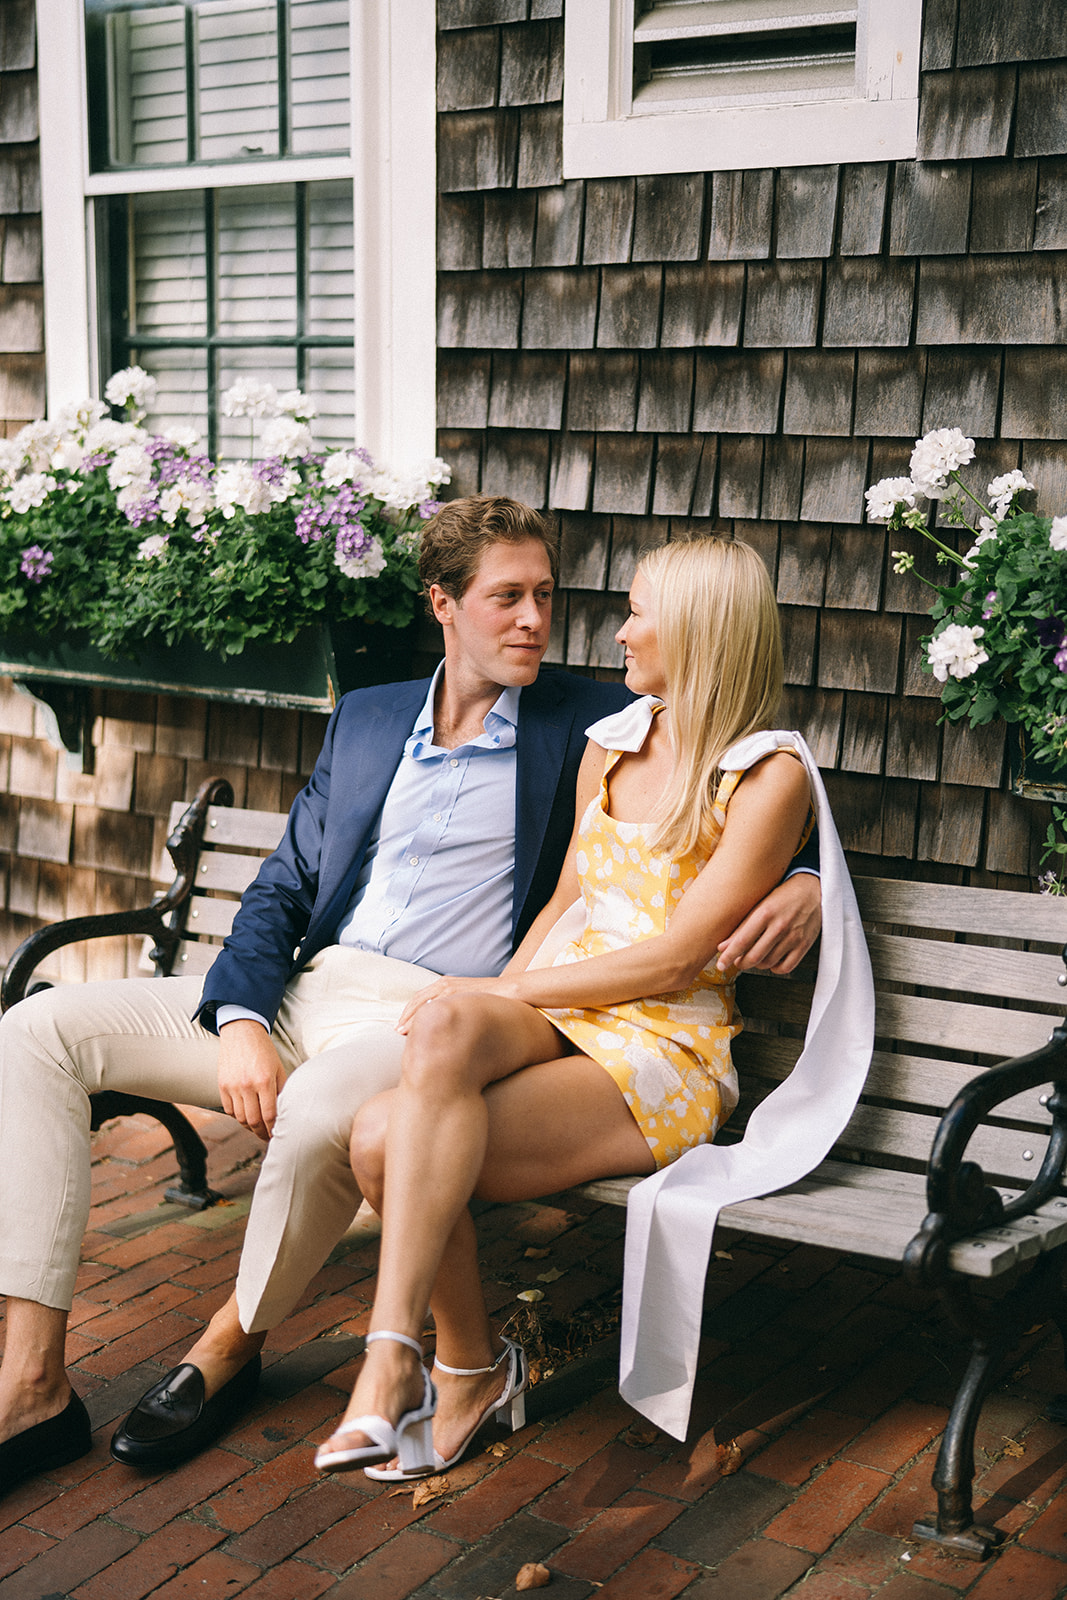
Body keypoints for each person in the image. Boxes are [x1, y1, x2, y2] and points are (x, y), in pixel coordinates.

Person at [0, 503, 821, 1499]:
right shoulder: (370, 714)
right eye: (506, 597)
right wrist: (246, 1017)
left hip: (438, 1010)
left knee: (327, 1118)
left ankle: (230, 1342)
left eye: (545, 596)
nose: (537, 620)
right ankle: (32, 1379)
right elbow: (281, 889)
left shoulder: (580, 718)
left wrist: (810, 882)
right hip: (325, 988)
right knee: (36, 1029)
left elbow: (721, 753)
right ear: (441, 603)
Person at [310, 536, 826, 1479]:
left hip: (662, 1049)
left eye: (637, 613)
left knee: (386, 1139)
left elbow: (675, 960)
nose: (617, 631)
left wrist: (499, 989)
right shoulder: (614, 739)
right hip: (568, 1006)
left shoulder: (765, 772)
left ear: (699, 630)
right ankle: (399, 1353)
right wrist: (488, 998)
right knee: (444, 1025)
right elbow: (565, 905)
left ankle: (457, 1370)